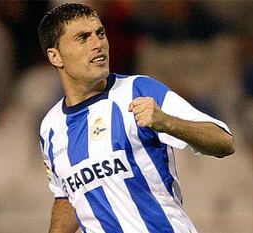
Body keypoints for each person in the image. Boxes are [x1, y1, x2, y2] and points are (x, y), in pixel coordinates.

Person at [37, 3, 235, 233]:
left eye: (100, 34)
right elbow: (69, 196)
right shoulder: (50, 128)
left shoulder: (138, 89)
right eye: (83, 38)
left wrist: (166, 122)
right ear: (56, 56)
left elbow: (224, 142)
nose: (97, 44)